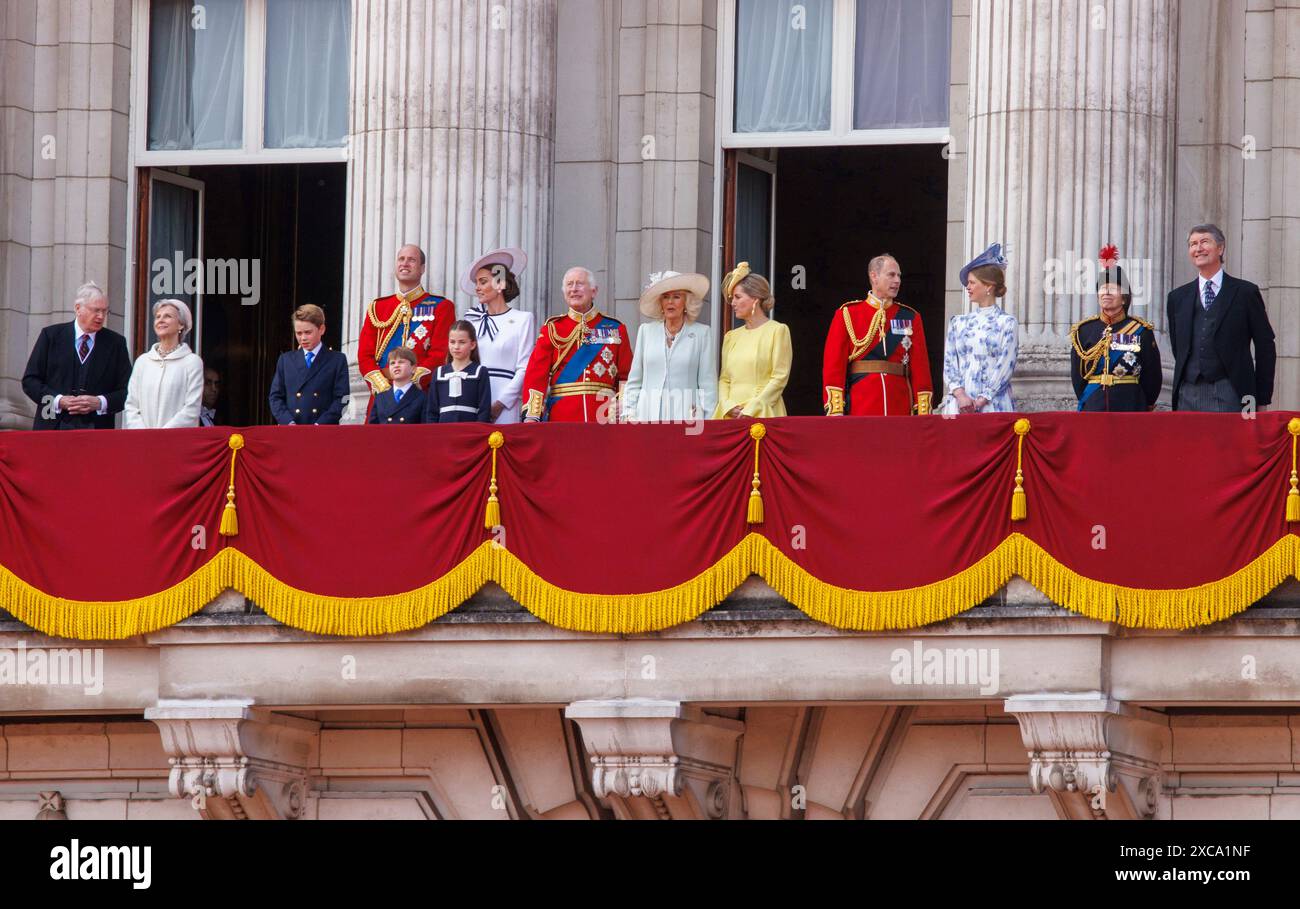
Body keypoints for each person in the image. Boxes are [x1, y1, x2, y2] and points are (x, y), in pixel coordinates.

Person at [1167, 223, 1276, 412]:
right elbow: (1179, 346)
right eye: (1193, 244)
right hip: (1187, 393)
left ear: (1220, 248)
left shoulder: (1245, 292)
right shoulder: (1177, 297)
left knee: (1235, 442)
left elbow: (1265, 345)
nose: (1198, 248)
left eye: (1204, 242)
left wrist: (1262, 398)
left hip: (1233, 392)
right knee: (1189, 442)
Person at [822, 254, 933, 417]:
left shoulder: (910, 317)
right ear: (874, 276)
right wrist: (836, 410)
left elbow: (920, 368)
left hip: (900, 406)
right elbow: (834, 366)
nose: (897, 281)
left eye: (899, 276)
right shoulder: (848, 314)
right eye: (891, 275)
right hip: (861, 405)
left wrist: (923, 412)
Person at [521, 267, 632, 423]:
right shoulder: (552, 329)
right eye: (569, 284)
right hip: (563, 415)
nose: (573, 289)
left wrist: (623, 406)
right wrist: (532, 415)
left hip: (605, 415)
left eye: (579, 284)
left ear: (594, 291)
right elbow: (536, 374)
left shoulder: (615, 328)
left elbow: (626, 375)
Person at [22, 281, 132, 430]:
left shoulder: (116, 343)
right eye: (96, 310)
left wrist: (100, 403)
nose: (101, 316)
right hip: (52, 426)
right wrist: (58, 401)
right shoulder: (51, 336)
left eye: (105, 311)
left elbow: (127, 391)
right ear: (78, 308)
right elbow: (30, 381)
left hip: (97, 431)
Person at [358, 244, 455, 413]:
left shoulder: (441, 306)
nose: (405, 263)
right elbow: (365, 355)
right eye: (401, 259)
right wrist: (383, 387)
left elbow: (440, 354)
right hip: (381, 398)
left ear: (422, 268)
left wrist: (409, 384)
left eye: (412, 260)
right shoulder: (378, 307)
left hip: (419, 397)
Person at [1070, 245, 1162, 412]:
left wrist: (1144, 402)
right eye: (1103, 288)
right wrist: (1088, 398)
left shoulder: (1141, 331)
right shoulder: (1083, 331)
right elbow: (1078, 377)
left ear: (1124, 298)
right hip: (1094, 404)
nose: (1106, 292)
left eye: (1112, 288)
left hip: (1130, 404)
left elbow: (1152, 375)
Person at [624, 271, 718, 423]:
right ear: (660, 303)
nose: (670, 302)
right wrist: (629, 413)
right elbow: (634, 380)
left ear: (687, 302)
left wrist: (708, 421)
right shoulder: (646, 331)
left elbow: (708, 384)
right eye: (666, 297)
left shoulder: (702, 333)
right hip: (647, 417)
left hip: (687, 418)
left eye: (676, 297)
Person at [938, 244, 1019, 414]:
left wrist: (982, 399)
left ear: (988, 286)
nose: (967, 287)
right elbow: (949, 363)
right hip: (959, 406)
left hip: (993, 405)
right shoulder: (958, 322)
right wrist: (960, 396)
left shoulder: (1007, 323)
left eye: (972, 282)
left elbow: (1005, 366)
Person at [462, 248, 536, 424]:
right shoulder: (471, 320)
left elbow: (525, 367)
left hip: (507, 401)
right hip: (473, 396)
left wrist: (501, 403)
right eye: (477, 283)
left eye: (483, 282)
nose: (477, 288)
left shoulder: (523, 319)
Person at [713, 263, 792, 419]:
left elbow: (779, 377)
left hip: (763, 412)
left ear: (755, 298)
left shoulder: (778, 330)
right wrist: (727, 405)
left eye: (737, 297)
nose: (733, 303)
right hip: (730, 415)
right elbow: (724, 379)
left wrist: (752, 409)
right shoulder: (731, 337)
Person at [123, 299, 205, 429]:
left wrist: (162, 436)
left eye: (167, 316)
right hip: (143, 442)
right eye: (158, 317)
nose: (161, 320)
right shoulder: (142, 362)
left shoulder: (192, 362)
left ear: (181, 325)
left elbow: (192, 408)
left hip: (177, 443)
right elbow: (131, 405)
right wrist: (143, 434)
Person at [269, 304, 349, 425]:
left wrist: (320, 425)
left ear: (322, 329)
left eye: (307, 332)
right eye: (299, 333)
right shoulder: (285, 360)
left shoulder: (337, 360)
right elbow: (275, 397)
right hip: (291, 430)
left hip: (323, 431)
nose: (303, 338)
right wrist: (288, 422)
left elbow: (342, 399)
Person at [426, 321, 493, 423]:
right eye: (452, 342)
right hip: (443, 430)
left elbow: (484, 410)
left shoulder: (480, 372)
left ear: (472, 344)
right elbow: (432, 411)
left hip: (470, 430)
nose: (456, 347)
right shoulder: (439, 373)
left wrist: (479, 432)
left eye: (462, 342)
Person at [368, 347, 425, 424]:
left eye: (401, 362)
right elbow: (372, 429)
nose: (396, 366)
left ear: (413, 368)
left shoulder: (422, 397)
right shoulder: (380, 398)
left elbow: (426, 429)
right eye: (392, 363)